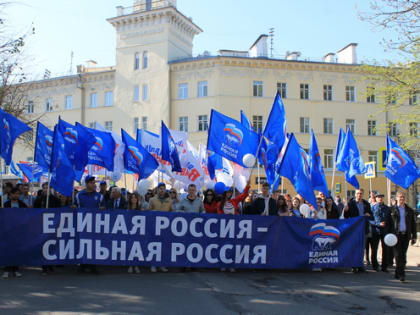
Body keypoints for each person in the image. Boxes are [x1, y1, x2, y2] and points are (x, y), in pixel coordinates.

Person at [74, 176, 104, 274]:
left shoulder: (99, 196)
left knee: (93, 244)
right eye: (92, 182)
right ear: (87, 184)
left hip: (95, 225)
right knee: (82, 244)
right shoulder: (79, 195)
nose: (94, 184)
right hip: (82, 225)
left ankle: (93, 265)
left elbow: (104, 209)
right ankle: (82, 264)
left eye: (94, 182)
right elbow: (75, 207)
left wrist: (103, 209)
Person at [344, 188, 373, 273]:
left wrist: (369, 214)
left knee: (362, 248)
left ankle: (360, 265)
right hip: (354, 229)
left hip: (364, 228)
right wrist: (345, 211)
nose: (359, 195)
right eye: (357, 193)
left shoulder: (366, 204)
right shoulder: (351, 203)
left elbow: (371, 216)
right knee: (354, 247)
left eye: (360, 193)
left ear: (363, 194)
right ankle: (353, 265)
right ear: (355, 194)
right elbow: (346, 216)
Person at [391, 191, 417, 282]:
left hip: (406, 235)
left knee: (403, 255)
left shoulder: (409, 210)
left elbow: (413, 224)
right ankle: (402, 274)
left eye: (403, 197)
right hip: (396, 235)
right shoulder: (392, 210)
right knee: (398, 255)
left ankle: (397, 273)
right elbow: (389, 223)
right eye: (400, 197)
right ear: (396, 198)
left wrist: (414, 236)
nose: (401, 199)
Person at [2, 187, 27, 279]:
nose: (16, 195)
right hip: (7, 231)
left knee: (16, 250)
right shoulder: (5, 204)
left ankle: (16, 269)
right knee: (7, 250)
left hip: (18, 231)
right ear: (10, 195)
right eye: (14, 193)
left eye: (18, 194)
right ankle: (7, 269)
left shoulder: (22, 204)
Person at [148, 183, 171, 272]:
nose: (162, 190)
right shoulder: (152, 199)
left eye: (163, 189)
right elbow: (148, 212)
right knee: (154, 245)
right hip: (154, 226)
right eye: (160, 188)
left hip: (165, 227)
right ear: (157, 190)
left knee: (163, 246)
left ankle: (162, 264)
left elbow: (172, 211)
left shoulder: (169, 200)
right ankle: (153, 264)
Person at [370, 192, 392, 272]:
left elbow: (390, 221)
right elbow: (370, 220)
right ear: (375, 198)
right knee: (374, 249)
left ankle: (384, 266)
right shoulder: (372, 208)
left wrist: (391, 231)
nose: (380, 198)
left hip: (385, 231)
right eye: (378, 197)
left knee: (385, 249)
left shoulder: (387, 208)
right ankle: (375, 265)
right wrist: (378, 223)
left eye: (381, 197)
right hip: (375, 231)